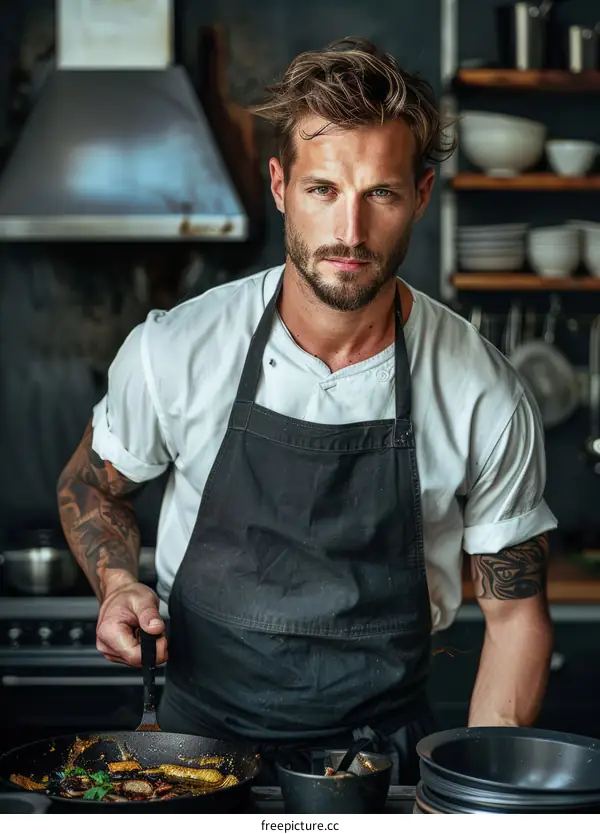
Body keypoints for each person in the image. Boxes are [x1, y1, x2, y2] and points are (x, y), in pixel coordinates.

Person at [57, 37, 556, 784]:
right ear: (280, 184)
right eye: (323, 190)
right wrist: (119, 585)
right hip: (193, 757)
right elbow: (92, 485)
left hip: (379, 763)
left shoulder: (482, 391)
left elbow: (515, 619)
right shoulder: (178, 348)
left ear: (421, 194)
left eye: (380, 193)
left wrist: (475, 798)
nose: (349, 233)